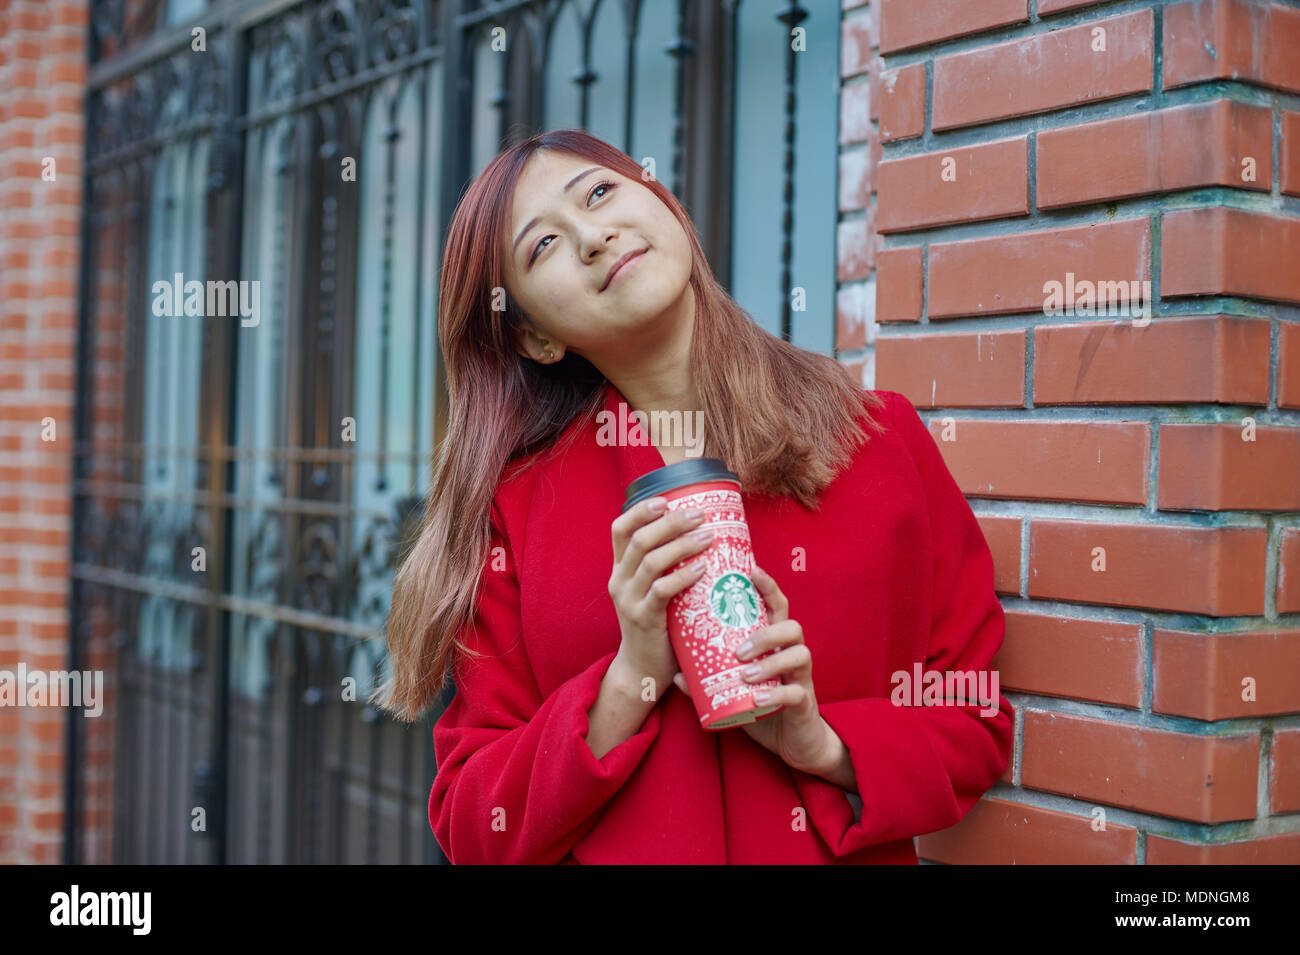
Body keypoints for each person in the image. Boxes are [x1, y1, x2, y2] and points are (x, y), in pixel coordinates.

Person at [375, 128, 1014, 864]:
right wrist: (627, 680)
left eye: (601, 192)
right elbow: (470, 817)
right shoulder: (514, 511)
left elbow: (972, 717)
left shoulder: (876, 438)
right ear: (535, 340)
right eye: (542, 246)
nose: (592, 234)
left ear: (667, 207)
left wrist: (824, 743)